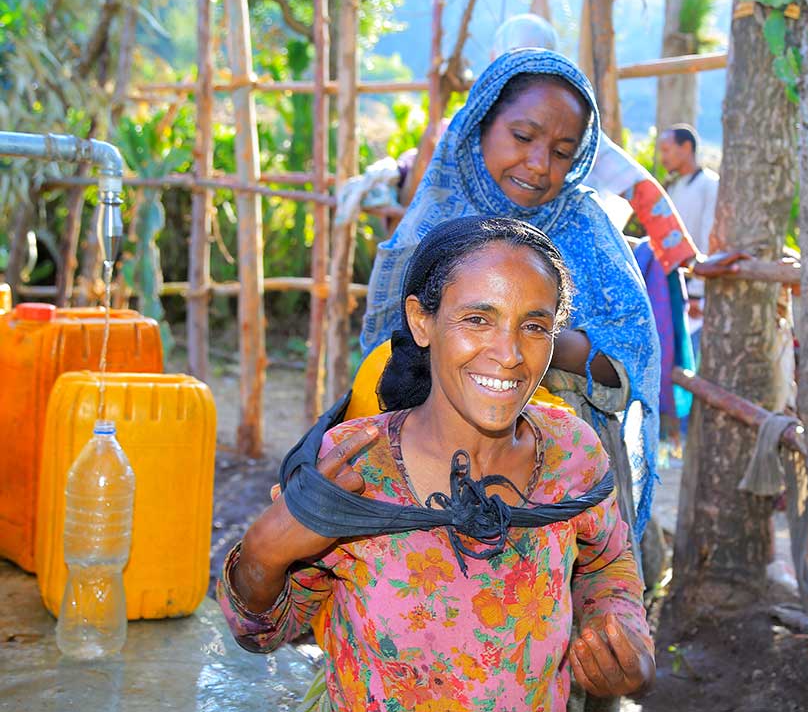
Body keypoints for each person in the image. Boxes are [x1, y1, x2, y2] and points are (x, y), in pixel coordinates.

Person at [218, 217, 655, 710]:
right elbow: (263, 632)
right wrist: (262, 554)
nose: (510, 353)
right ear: (422, 321)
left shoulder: (571, 453)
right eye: (477, 319)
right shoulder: (355, 467)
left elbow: (606, 558)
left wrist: (620, 631)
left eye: (533, 326)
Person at [361, 48, 662, 561]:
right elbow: (386, 349)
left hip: (557, 489)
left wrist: (530, 337)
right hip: (425, 470)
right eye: (523, 137)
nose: (540, 165)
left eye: (563, 151)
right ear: (481, 124)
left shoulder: (585, 226)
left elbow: (628, 360)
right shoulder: (431, 221)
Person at [657, 124, 720, 360]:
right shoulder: (673, 187)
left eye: (667, 149)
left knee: (691, 357)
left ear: (686, 147)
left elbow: (708, 238)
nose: (663, 157)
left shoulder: (709, 185)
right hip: (672, 283)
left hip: (696, 290)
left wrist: (697, 291)